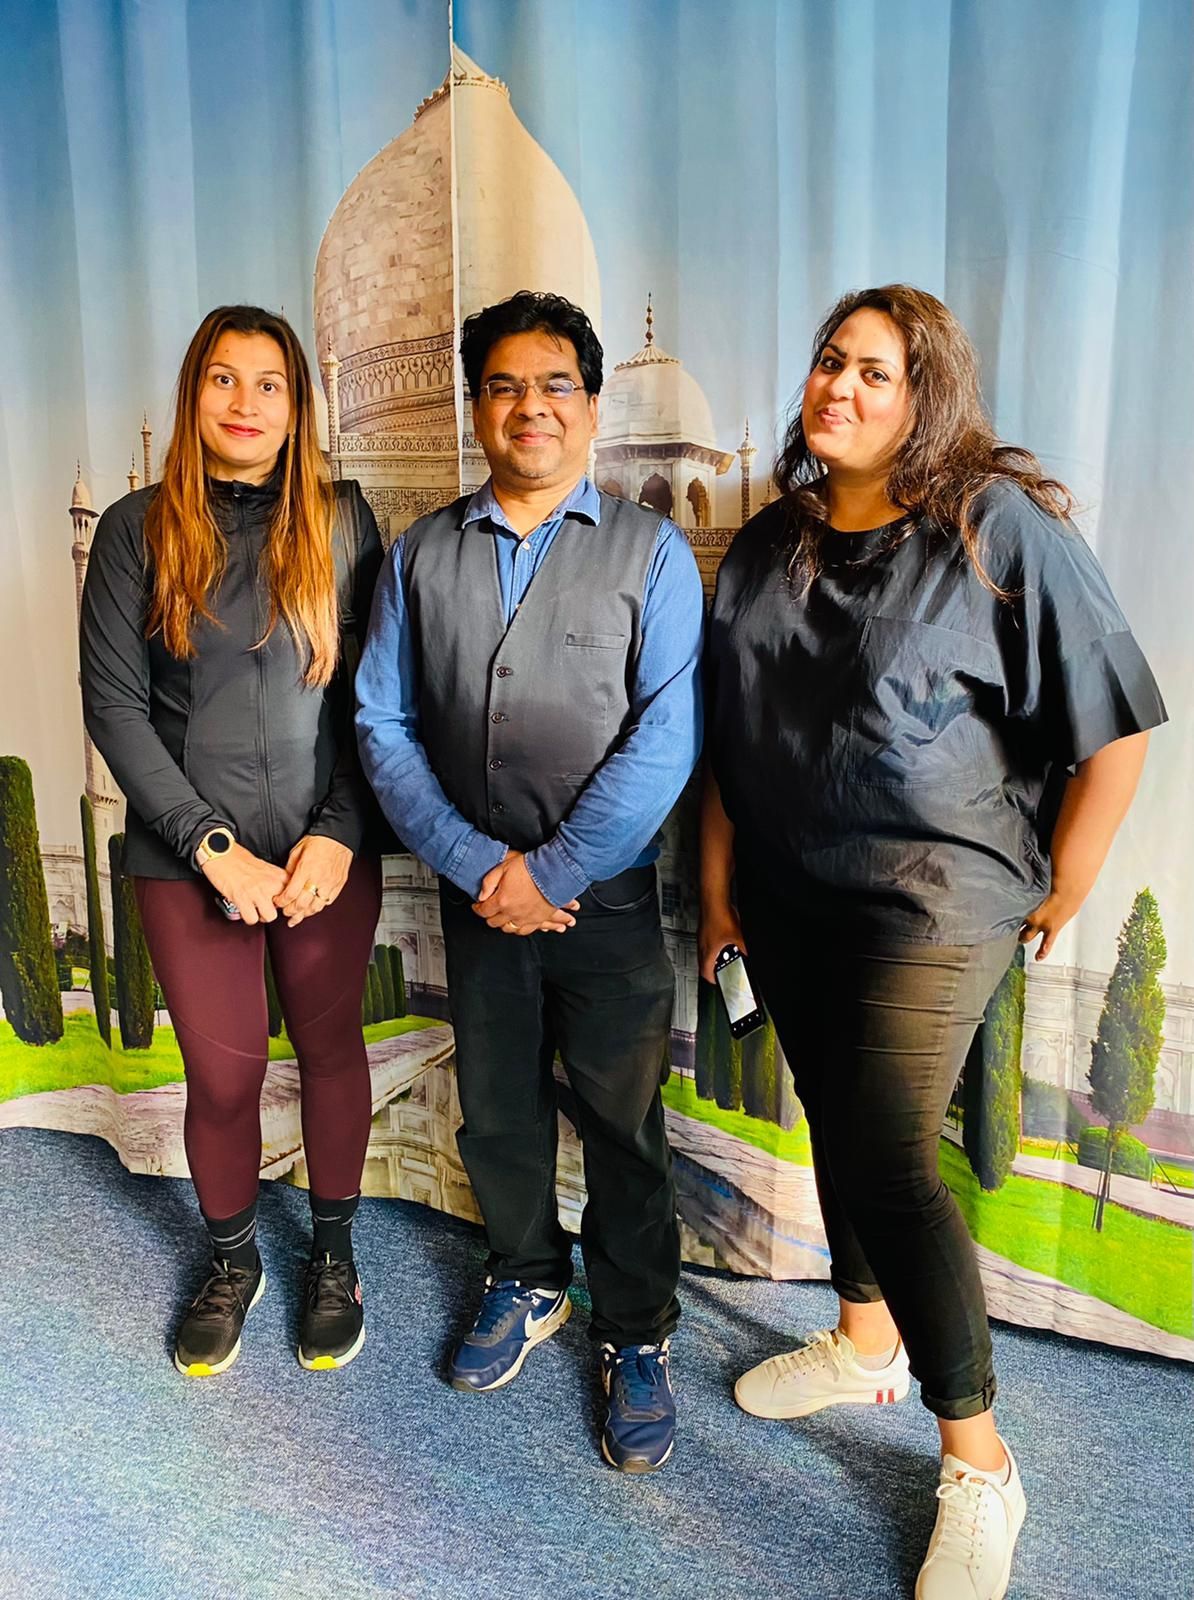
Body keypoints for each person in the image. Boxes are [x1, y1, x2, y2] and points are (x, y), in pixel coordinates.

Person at [699, 285, 1164, 1598]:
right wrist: (721, 885)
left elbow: (1111, 725)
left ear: (925, 398)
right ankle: (858, 1343)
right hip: (787, 893)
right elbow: (727, 740)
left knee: (887, 1146)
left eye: (875, 373)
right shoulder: (762, 544)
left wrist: (1063, 882)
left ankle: (978, 1461)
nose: (838, 387)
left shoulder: (992, 526)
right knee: (838, 1121)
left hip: (934, 897)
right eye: (827, 363)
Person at [356, 290, 704, 1472]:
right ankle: (524, 1274)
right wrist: (478, 868)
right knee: (497, 1111)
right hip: (479, 902)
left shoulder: (651, 553)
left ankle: (638, 1331)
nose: (531, 407)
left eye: (556, 384)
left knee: (623, 1126)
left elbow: (665, 737)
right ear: (477, 406)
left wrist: (549, 870)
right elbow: (381, 721)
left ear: (592, 406)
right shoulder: (422, 554)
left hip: (600, 909)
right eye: (505, 385)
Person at [81, 305, 384, 1378]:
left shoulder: (345, 525)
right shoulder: (133, 530)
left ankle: (336, 1256)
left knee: (332, 1049)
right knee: (223, 1081)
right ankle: (232, 1259)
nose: (245, 404)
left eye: (269, 384)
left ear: (299, 406)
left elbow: (373, 703)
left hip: (321, 858)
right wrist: (211, 846)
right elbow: (116, 709)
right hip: (185, 856)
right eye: (223, 379)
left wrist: (341, 835)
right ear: (191, 396)